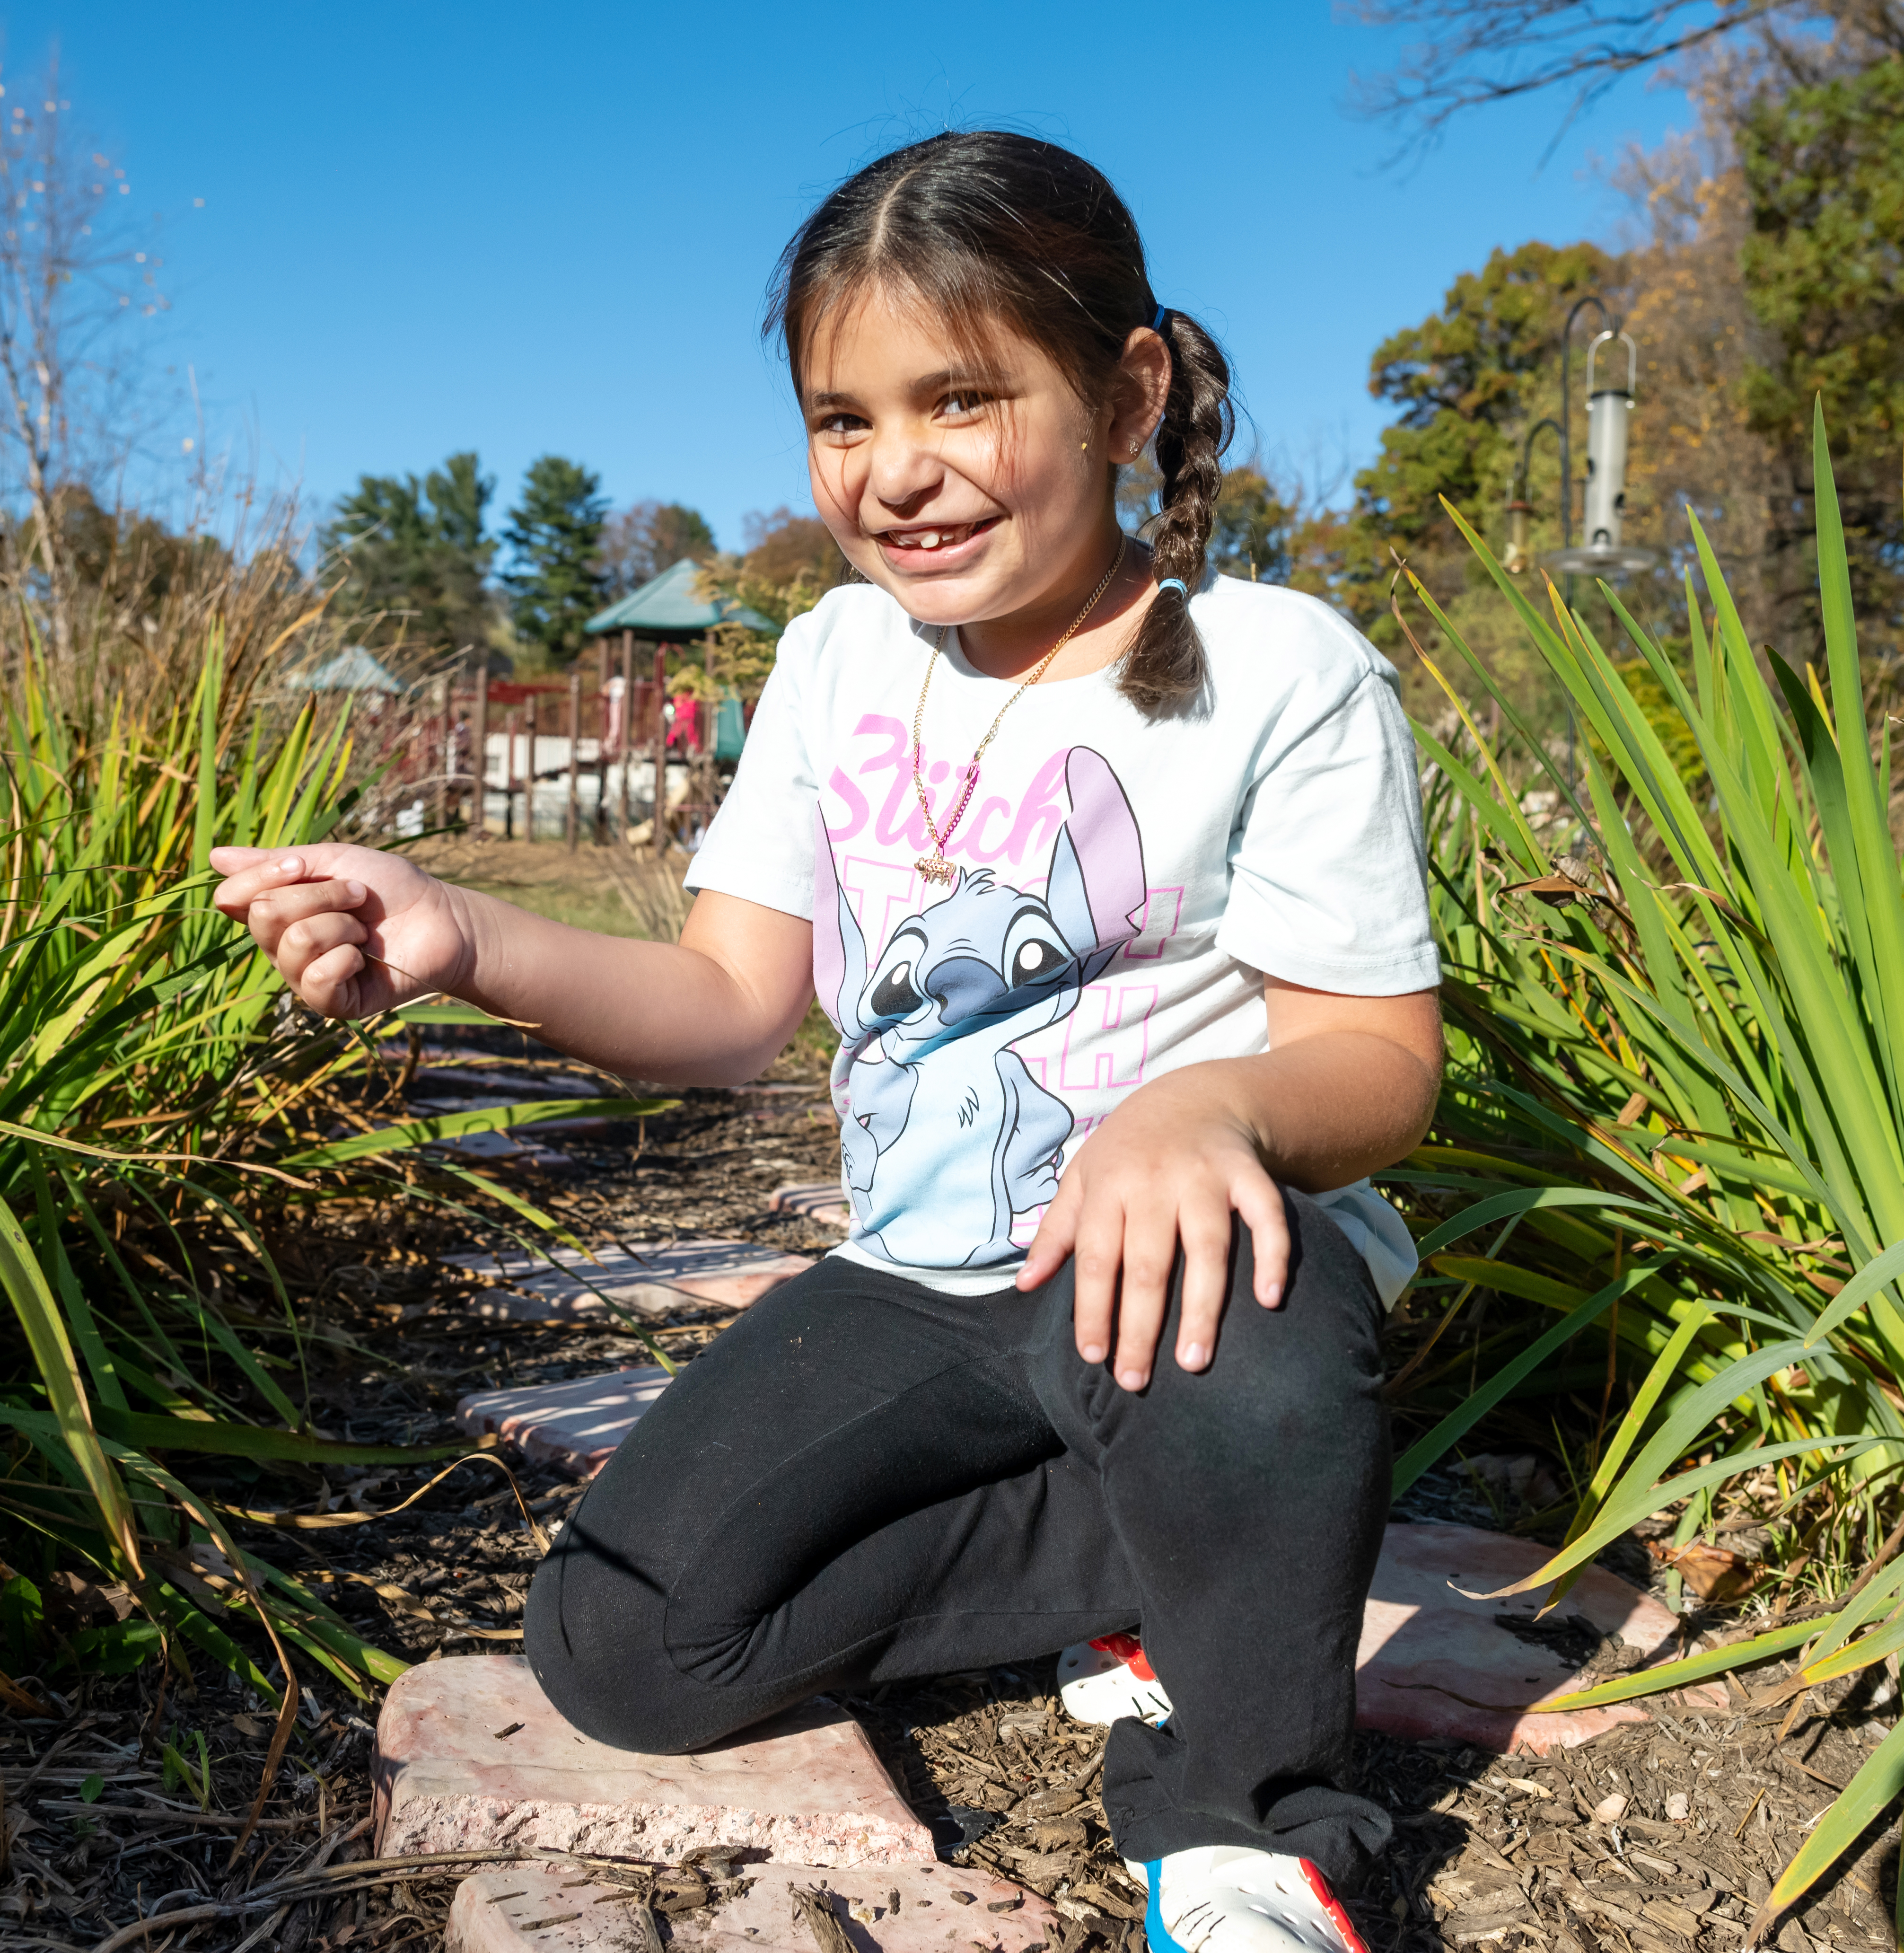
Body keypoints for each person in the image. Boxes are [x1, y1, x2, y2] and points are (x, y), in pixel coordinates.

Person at [211, 131, 1439, 1953]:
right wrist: (462, 938)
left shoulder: (1278, 665)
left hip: (1187, 1279)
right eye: (843, 419)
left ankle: (1252, 1815)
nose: (898, 472)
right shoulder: (836, 662)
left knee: (1247, 1355)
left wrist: (1213, 1109)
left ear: (1126, 392)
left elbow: (1382, 1062)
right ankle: (1163, 1550)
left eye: (962, 398)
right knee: (625, 1643)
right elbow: (725, 1003)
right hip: (920, 1280)